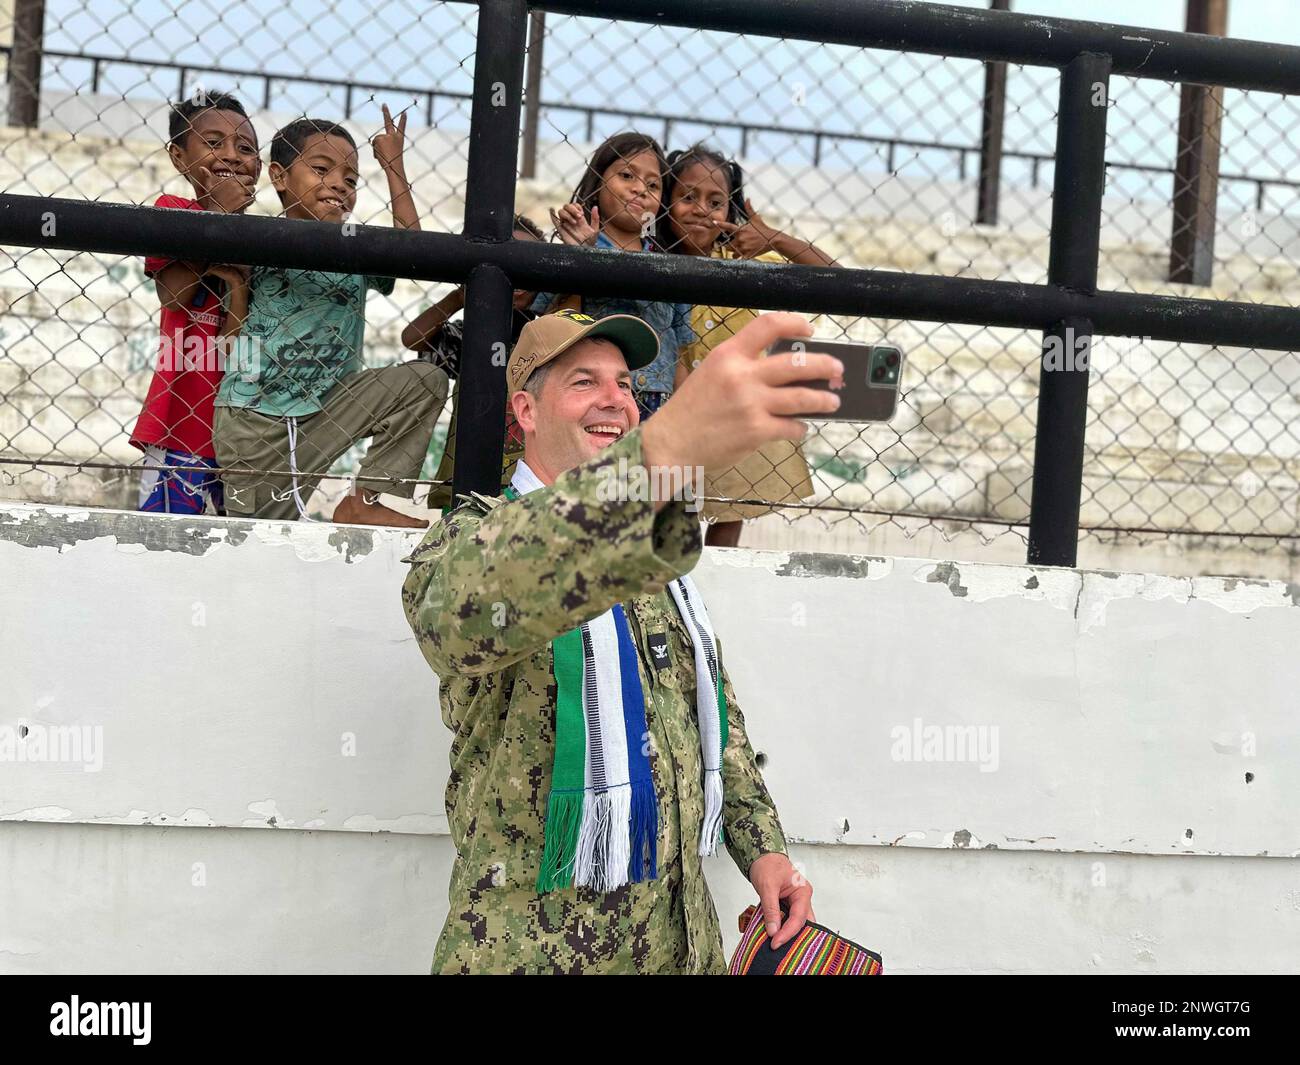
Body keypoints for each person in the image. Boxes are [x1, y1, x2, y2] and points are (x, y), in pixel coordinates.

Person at [401, 306, 844, 974]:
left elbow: (714, 727)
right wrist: (656, 457)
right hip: (533, 953)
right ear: (526, 409)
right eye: (584, 381)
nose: (614, 399)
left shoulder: (653, 556)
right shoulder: (473, 539)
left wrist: (766, 852)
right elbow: (460, 615)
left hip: (678, 943)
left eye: (626, 387)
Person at [212, 108, 446, 528]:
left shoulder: (356, 250)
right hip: (255, 417)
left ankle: (367, 501)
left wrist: (393, 167)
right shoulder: (258, 239)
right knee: (257, 540)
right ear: (280, 177)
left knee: (424, 380)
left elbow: (417, 253)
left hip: (330, 407)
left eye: (351, 179)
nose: (340, 184)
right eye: (321, 170)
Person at [662, 144, 839, 547]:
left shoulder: (740, 260)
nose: (701, 209)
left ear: (731, 208)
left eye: (716, 201)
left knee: (733, 507)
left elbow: (835, 276)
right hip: (677, 404)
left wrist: (773, 237)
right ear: (665, 202)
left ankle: (718, 583)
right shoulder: (651, 257)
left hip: (741, 405)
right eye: (687, 197)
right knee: (674, 514)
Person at [129, 90, 261, 515]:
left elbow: (233, 344)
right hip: (180, 425)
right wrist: (218, 217)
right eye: (213, 142)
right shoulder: (173, 211)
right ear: (179, 158)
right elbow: (175, 295)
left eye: (245, 148)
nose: (231, 155)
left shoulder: (269, 240)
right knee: (166, 544)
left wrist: (239, 287)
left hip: (243, 431)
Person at [531, 132, 693, 421]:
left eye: (653, 185)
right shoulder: (571, 250)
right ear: (598, 180)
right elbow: (554, 328)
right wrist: (581, 259)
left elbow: (678, 354)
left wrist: (684, 419)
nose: (640, 189)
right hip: (590, 398)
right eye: (627, 175)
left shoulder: (671, 266)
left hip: (658, 407)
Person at [402, 214, 544, 510]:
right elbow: (412, 338)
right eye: (506, 262)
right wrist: (461, 295)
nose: (514, 275)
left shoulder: (545, 331)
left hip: (529, 485)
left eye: (524, 263)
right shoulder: (472, 333)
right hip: (462, 485)